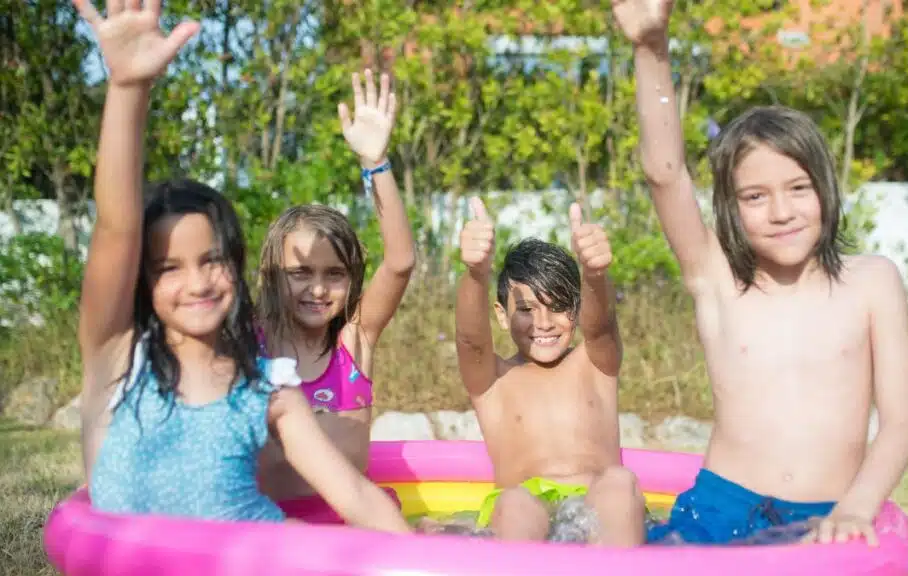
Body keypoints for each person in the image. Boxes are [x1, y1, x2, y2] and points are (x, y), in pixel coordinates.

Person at [72, 0, 409, 533]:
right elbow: (116, 228)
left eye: (212, 260)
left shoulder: (268, 390)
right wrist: (128, 90)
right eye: (168, 268)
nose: (198, 282)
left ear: (236, 264)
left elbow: (356, 497)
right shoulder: (117, 359)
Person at [611, 0, 908, 546]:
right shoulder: (716, 279)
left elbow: (901, 426)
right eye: (756, 196)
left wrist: (854, 511)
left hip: (825, 508)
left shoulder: (872, 282)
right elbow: (664, 174)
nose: (781, 212)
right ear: (732, 207)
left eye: (798, 189)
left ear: (825, 188)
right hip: (717, 508)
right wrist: (651, 49)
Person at [255, 69, 415, 508]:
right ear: (272, 272)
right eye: (301, 272)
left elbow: (401, 262)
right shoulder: (251, 343)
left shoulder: (354, 341)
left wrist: (375, 163)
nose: (319, 289)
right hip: (274, 530)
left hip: (352, 528)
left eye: (335, 274)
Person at [454, 197, 646, 547]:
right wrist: (476, 273)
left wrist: (594, 275)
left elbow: (601, 326)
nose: (543, 323)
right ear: (501, 315)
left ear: (578, 309)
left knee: (620, 483)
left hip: (596, 500)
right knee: (513, 502)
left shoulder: (594, 364)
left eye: (558, 308)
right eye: (526, 309)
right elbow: (470, 341)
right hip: (526, 506)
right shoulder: (493, 380)